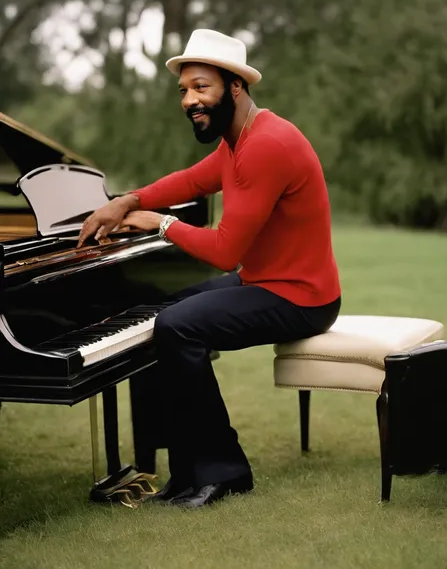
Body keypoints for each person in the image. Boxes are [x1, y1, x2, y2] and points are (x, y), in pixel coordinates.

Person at [78, 29, 341, 509]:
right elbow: (191, 180)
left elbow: (225, 251)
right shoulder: (237, 139)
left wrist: (160, 223)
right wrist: (127, 200)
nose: (189, 100)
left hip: (301, 296)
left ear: (234, 87)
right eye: (183, 90)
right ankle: (184, 470)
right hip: (267, 280)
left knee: (179, 325)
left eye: (201, 87)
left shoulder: (267, 144)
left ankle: (225, 471)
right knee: (160, 311)